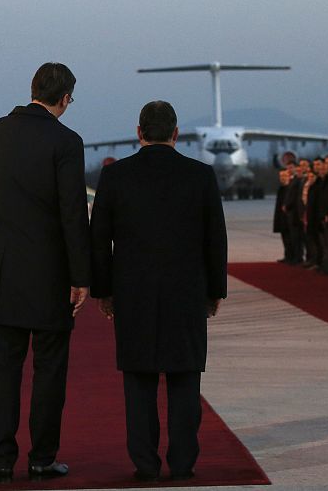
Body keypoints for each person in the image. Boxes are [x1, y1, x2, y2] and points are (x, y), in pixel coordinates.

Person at [90, 100, 227, 482]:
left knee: (139, 382)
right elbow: (215, 238)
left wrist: (104, 290)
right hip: (186, 292)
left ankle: (145, 464)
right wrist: (215, 289)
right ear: (176, 133)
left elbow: (99, 239)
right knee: (185, 379)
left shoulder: (116, 177)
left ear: (139, 133)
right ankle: (183, 463)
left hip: (133, 292)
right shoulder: (200, 175)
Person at [0, 63, 91, 483]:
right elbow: (73, 213)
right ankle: (41, 457)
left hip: (2, 272)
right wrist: (81, 276)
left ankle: (1, 458)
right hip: (49, 274)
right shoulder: (67, 141)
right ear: (65, 98)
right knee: (49, 371)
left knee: (4, 371)